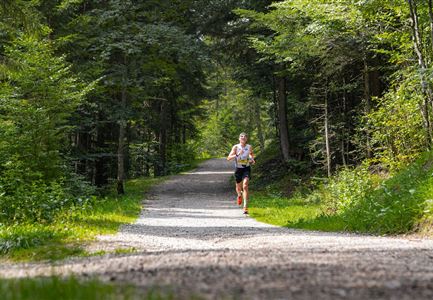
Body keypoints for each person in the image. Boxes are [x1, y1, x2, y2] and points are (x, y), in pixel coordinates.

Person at [227, 132, 255, 214]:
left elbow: (251, 155)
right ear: (239, 139)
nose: (243, 137)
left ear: (246, 139)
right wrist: (237, 154)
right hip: (238, 169)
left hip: (246, 168)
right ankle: (239, 195)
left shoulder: (249, 147)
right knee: (239, 188)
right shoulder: (236, 147)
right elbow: (228, 158)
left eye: (245, 136)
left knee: (245, 185)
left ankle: (245, 207)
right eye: (241, 136)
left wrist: (251, 159)